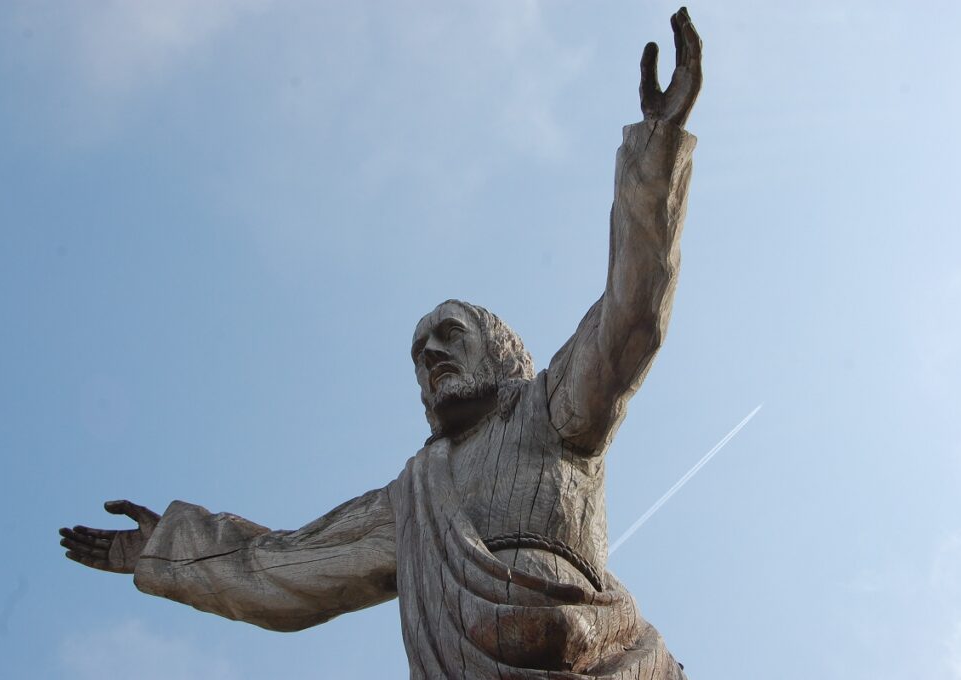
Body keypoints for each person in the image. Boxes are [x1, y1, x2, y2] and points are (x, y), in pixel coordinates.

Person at [60, 8, 703, 678]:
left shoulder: (550, 411)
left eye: (450, 335)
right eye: (421, 350)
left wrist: (655, 150)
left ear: (503, 351)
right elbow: (285, 565)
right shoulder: (415, 497)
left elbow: (631, 318)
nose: (431, 356)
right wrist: (165, 549)